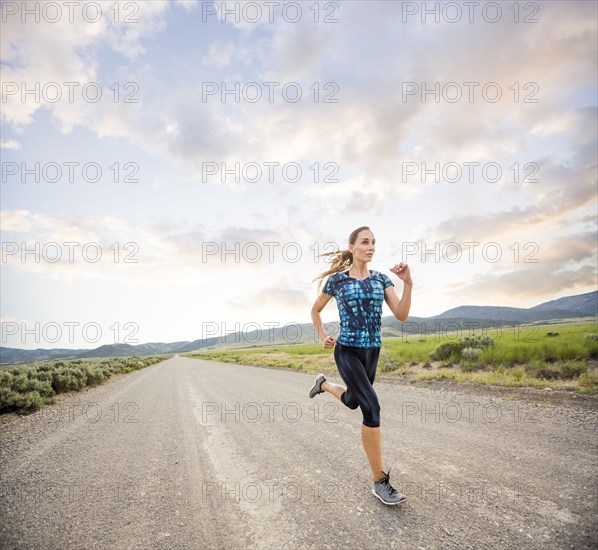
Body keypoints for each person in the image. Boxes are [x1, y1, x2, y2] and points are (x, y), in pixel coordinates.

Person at [309, 225, 413, 506]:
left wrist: (408, 283)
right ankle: (380, 482)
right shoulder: (337, 281)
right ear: (352, 247)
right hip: (347, 351)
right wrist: (323, 336)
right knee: (371, 408)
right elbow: (315, 310)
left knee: (354, 401)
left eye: (373, 243)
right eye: (365, 242)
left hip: (372, 352)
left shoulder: (381, 279)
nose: (370, 247)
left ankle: (324, 384)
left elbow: (401, 315)